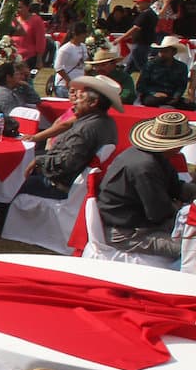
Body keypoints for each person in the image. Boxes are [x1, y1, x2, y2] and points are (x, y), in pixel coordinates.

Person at [98, 112, 196, 259]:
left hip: (142, 221)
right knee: (191, 251)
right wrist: (182, 210)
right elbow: (158, 213)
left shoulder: (156, 157)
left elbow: (176, 188)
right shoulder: (145, 166)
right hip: (127, 231)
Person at [20, 75, 121, 199]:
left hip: (60, 186)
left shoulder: (86, 129)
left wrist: (40, 160)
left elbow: (67, 164)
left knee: (13, 185)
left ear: (93, 103)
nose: (74, 103)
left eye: (80, 98)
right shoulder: (106, 122)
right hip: (75, 184)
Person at [138, 36, 194, 109]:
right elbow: (141, 85)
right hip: (152, 96)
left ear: (174, 52)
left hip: (170, 96)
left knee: (191, 105)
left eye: (165, 51)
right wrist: (154, 93)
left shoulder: (181, 67)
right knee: (152, 101)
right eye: (160, 51)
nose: (161, 54)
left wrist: (176, 97)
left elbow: (181, 86)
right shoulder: (150, 65)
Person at [118, 0, 159, 76]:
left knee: (142, 66)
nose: (137, 5)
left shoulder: (145, 14)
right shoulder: (152, 14)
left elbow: (136, 28)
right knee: (129, 66)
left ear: (146, 3)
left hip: (140, 43)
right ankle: (123, 81)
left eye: (139, 3)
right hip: (144, 43)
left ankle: (149, 80)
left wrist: (121, 38)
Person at [49, 22, 90, 96]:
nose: (85, 36)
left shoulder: (83, 46)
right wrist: (68, 81)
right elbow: (58, 67)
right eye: (83, 34)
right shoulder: (65, 49)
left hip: (79, 84)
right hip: (64, 86)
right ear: (75, 34)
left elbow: (85, 63)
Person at [10, 0, 47, 71]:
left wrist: (39, 60)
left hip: (29, 57)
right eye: (16, 8)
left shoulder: (36, 20)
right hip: (14, 57)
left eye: (20, 7)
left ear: (27, 7)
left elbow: (40, 40)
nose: (17, 10)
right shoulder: (14, 20)